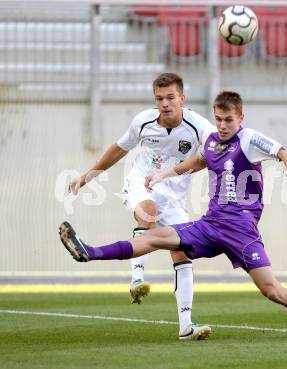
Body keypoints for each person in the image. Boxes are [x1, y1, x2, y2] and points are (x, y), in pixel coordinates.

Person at [60, 91, 287, 340]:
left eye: (229, 119)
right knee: (156, 237)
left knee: (272, 290)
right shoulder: (213, 141)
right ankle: (90, 252)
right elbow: (197, 160)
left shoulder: (250, 140)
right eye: (218, 119)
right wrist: (163, 174)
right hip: (210, 224)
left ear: (240, 118)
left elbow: (283, 151)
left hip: (242, 232)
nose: (223, 125)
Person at [66, 73, 212, 340]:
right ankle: (137, 279)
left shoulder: (199, 126)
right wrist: (87, 177)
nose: (165, 104)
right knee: (149, 211)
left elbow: (214, 151)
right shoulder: (143, 121)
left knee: (183, 253)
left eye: (170, 98)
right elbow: (119, 149)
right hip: (141, 183)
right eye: (159, 99)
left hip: (175, 196)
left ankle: (186, 326)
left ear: (182, 98)